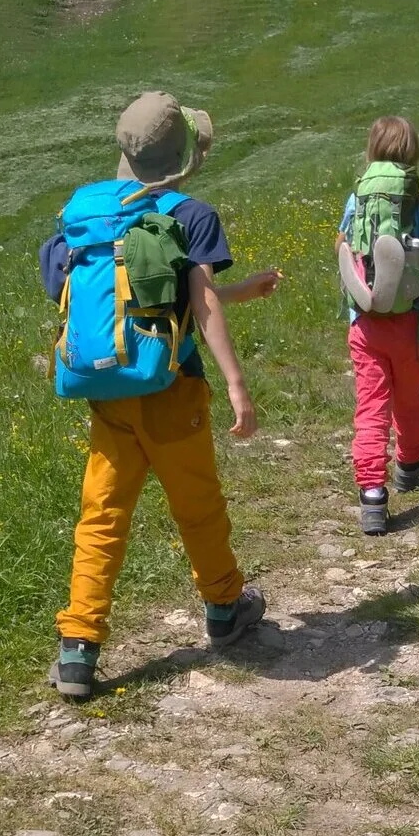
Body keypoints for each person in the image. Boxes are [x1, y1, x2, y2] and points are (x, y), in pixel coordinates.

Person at [40, 91, 280, 698]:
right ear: (183, 157)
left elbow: (72, 288)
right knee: (196, 504)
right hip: (172, 389)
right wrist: (236, 384)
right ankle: (225, 609)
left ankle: (78, 649)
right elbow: (197, 305)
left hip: (108, 390)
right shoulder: (190, 215)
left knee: (101, 515)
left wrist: (243, 292)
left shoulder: (84, 211)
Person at [337, 116, 419, 535]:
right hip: (412, 325)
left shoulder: (357, 201)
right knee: (408, 400)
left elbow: (342, 249)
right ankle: (410, 462)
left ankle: (372, 495)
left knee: (370, 408)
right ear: (413, 153)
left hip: (365, 325)